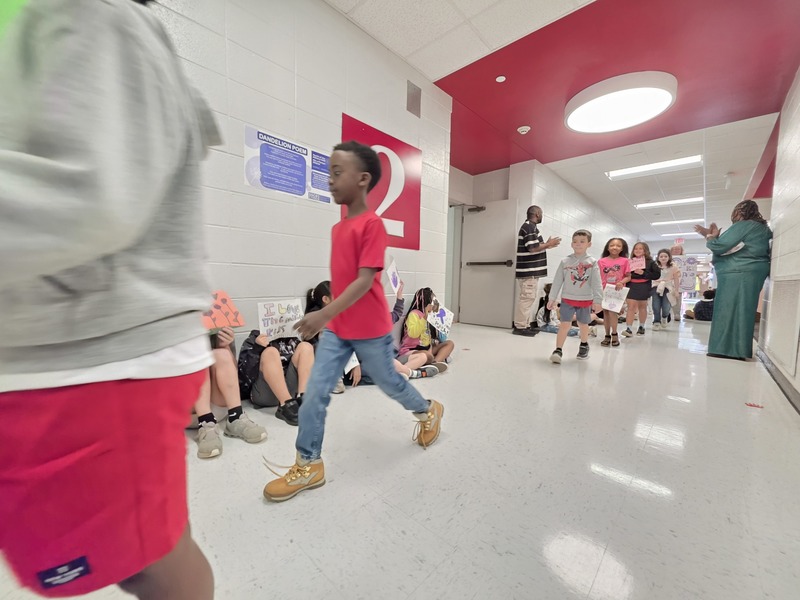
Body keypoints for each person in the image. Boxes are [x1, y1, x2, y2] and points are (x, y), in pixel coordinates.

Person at [0, 1, 216, 597]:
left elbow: (95, 198)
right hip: (70, 346)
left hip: (100, 351)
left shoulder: (95, 14)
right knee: (146, 545)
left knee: (148, 558)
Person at [263, 141, 444, 502]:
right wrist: (330, 318)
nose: (329, 180)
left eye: (336, 173)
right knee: (314, 392)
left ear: (362, 180)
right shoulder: (337, 228)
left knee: (391, 383)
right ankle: (309, 464)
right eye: (329, 172)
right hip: (338, 330)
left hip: (371, 331)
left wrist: (323, 313)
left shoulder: (372, 225)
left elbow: (364, 281)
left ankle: (428, 410)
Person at [694, 199, 772, 360]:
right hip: (752, 271)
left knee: (727, 308)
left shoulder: (744, 225)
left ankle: (725, 349)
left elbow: (720, 246)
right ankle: (739, 348)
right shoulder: (763, 229)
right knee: (744, 308)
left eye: (735, 211)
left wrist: (710, 236)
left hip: (738, 272)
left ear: (741, 212)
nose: (734, 215)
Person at [194, 327, 267, 459]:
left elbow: (232, 372)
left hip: (216, 408)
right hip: (183, 410)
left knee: (223, 354)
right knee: (195, 354)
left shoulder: (216, 319)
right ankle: (206, 424)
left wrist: (225, 345)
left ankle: (236, 416)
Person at [547, 230, 603, 363]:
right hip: (567, 299)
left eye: (582, 241)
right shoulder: (565, 261)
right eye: (575, 241)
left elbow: (596, 282)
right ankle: (558, 350)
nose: (578, 244)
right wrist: (552, 298)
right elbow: (557, 281)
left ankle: (584, 345)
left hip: (585, 300)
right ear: (571, 244)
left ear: (589, 244)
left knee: (583, 324)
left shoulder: (592, 262)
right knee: (564, 325)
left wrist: (598, 300)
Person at [245, 332, 315, 426]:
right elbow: (244, 375)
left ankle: (304, 398)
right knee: (270, 352)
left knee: (306, 346)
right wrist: (256, 349)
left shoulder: (296, 336)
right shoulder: (255, 337)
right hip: (265, 392)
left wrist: (312, 337)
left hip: (293, 392)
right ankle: (285, 404)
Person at [513, 205, 561, 335]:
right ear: (538, 214)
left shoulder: (530, 227)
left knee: (528, 298)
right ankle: (520, 326)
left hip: (529, 271)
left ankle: (525, 324)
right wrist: (548, 244)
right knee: (527, 298)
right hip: (529, 271)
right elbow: (532, 248)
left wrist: (546, 244)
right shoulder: (529, 227)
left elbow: (536, 246)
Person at [398, 288, 453, 370]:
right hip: (412, 350)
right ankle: (431, 361)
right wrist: (424, 317)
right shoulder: (414, 314)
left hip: (427, 349)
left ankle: (435, 363)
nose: (435, 303)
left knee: (450, 344)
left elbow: (442, 339)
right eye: (433, 301)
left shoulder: (432, 316)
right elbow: (413, 334)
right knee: (427, 355)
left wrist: (442, 325)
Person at [621, 242, 661, 337]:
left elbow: (656, 275)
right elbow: (625, 273)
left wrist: (643, 273)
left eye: (640, 249)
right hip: (632, 285)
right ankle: (629, 328)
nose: (638, 251)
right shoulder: (629, 261)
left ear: (645, 250)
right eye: (636, 249)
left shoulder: (651, 262)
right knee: (631, 307)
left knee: (642, 307)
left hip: (644, 285)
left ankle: (642, 326)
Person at [597, 237, 631, 347]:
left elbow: (628, 277)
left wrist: (621, 282)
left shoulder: (625, 261)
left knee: (613, 312)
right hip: (604, 290)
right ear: (607, 247)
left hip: (617, 290)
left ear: (622, 249)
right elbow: (597, 277)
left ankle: (614, 333)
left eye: (618, 246)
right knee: (605, 313)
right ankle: (607, 335)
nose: (614, 247)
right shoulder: (601, 261)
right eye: (612, 245)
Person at [651, 249, 681, 330]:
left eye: (665, 256)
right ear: (658, 257)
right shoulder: (654, 266)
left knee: (666, 306)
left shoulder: (673, 267)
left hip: (668, 287)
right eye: (661, 256)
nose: (663, 258)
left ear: (669, 257)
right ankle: (656, 321)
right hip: (656, 286)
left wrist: (677, 290)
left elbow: (676, 279)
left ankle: (664, 317)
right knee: (656, 305)